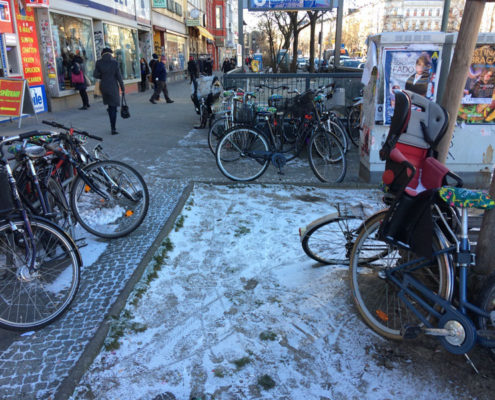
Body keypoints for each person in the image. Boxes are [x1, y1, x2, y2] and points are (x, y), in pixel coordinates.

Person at [93, 47, 125, 135]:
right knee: (113, 108)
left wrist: (103, 76)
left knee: (110, 106)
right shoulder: (114, 63)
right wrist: (122, 88)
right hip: (113, 87)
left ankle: (110, 114)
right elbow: (119, 77)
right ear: (110, 54)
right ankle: (113, 128)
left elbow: (95, 74)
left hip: (104, 87)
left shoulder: (99, 62)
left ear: (103, 54)